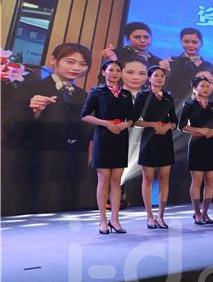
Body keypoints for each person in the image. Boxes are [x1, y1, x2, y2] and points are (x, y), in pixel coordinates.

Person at [10, 43, 92, 213]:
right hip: (37, 165)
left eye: (83, 64)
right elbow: (12, 125)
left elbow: (86, 131)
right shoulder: (31, 87)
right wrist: (34, 111)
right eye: (70, 62)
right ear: (54, 60)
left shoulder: (83, 95)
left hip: (70, 167)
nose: (76, 68)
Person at [81, 60, 134, 234]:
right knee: (103, 180)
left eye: (118, 70)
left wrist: (125, 125)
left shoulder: (126, 94)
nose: (115, 73)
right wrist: (106, 123)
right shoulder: (97, 92)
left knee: (116, 181)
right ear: (104, 72)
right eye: (111, 70)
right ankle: (103, 221)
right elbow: (85, 115)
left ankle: (115, 220)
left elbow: (132, 118)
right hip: (103, 138)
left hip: (120, 137)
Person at [133, 66, 178, 229]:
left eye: (162, 76)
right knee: (148, 179)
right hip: (149, 140)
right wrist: (153, 125)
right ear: (149, 78)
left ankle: (161, 216)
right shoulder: (142, 95)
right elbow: (134, 120)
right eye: (156, 75)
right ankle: (150, 216)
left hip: (165, 140)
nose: (159, 78)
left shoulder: (168, 97)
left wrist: (168, 127)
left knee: (164, 178)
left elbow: (175, 121)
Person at [178, 75, 213, 225]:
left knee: (210, 180)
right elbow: (182, 126)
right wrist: (200, 130)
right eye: (202, 86)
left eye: (207, 85)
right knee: (197, 180)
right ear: (195, 89)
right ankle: (197, 213)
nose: (206, 88)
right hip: (197, 143)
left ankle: (205, 212)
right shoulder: (189, 105)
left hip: (211, 144)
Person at [164, 27, 213, 107]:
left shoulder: (208, 66)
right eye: (186, 42)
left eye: (194, 42)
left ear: (201, 43)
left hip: (200, 108)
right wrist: (165, 73)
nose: (190, 45)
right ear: (180, 42)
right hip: (175, 106)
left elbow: (212, 92)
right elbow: (164, 88)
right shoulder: (171, 62)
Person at [100, 21, 166, 72]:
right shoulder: (117, 54)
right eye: (137, 37)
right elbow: (102, 79)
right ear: (128, 39)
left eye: (146, 37)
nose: (142, 40)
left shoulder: (157, 61)